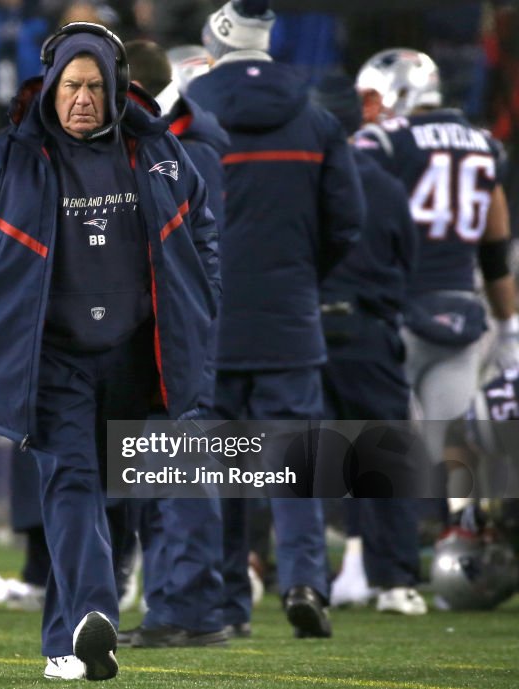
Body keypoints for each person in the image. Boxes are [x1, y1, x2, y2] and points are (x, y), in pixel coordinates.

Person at [0, 22, 220, 680]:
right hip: (51, 357)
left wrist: (201, 302)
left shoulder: (156, 153)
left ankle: (64, 647)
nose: (82, 99)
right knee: (70, 482)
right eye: (72, 85)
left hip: (135, 356)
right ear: (52, 86)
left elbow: (202, 230)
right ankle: (96, 614)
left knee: (119, 501)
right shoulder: (6, 156)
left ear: (118, 88)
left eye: (95, 86)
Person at [187, 0, 363, 639]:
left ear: (218, 40)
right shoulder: (316, 120)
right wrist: (301, 277)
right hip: (290, 320)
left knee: (221, 476)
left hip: (211, 325)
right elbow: (347, 222)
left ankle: (231, 603)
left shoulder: (190, 116)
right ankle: (304, 582)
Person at [117, 38, 229, 649]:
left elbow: (206, 254)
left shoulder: (185, 152)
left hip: (177, 336)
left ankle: (192, 608)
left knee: (181, 473)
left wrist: (187, 317)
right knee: (160, 479)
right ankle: (173, 604)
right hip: (155, 333)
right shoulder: (175, 144)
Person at [354, 49, 518, 451]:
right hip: (460, 318)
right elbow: (494, 252)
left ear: (400, 92)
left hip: (394, 317)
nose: (367, 112)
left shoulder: (381, 144)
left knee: (384, 459)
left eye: (371, 99)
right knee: (449, 454)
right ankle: (449, 515)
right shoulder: (484, 146)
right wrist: (509, 326)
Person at [311, 74, 426, 616]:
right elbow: (409, 261)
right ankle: (395, 580)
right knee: (384, 457)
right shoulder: (386, 184)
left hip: (307, 333)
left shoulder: (301, 179)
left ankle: (302, 577)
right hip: (369, 330)